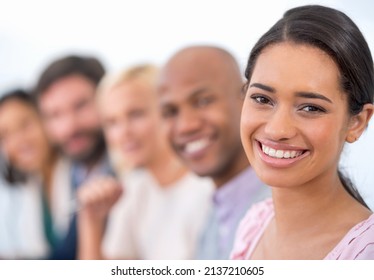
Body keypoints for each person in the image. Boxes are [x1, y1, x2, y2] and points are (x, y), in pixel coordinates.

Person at [231, 5, 374, 260]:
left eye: (311, 107)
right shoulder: (254, 224)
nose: (277, 129)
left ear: (357, 122)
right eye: (262, 99)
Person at [77, 64, 213, 259]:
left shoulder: (206, 187)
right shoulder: (134, 187)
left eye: (135, 114)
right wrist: (91, 221)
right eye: (112, 122)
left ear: (168, 112)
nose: (123, 133)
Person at [158, 46, 271, 259]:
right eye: (170, 111)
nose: (185, 126)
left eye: (203, 101)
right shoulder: (213, 214)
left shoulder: (282, 208)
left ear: (247, 97)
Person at [33, 55, 114, 259]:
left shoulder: (131, 171)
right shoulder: (66, 174)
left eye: (80, 106)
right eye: (55, 115)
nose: (70, 127)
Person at [0, 89, 69, 259]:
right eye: (4, 135)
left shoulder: (78, 173)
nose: (18, 141)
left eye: (25, 124)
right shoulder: (27, 188)